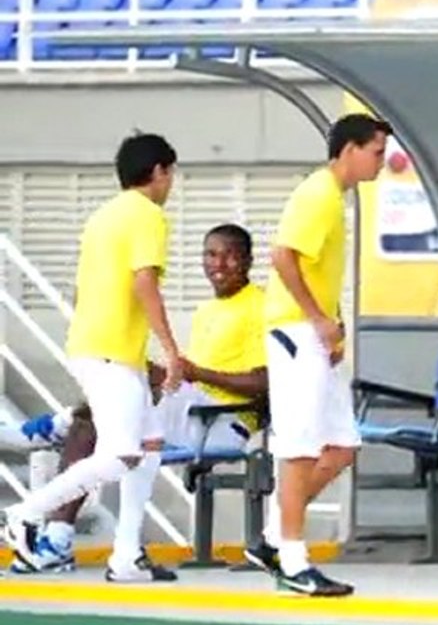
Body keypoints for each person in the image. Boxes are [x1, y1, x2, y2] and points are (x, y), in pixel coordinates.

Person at [9, 224, 267, 575]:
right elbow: (185, 377)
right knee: (115, 391)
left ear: (248, 260)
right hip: (190, 407)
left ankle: (50, 435)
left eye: (229, 254)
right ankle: (63, 537)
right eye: (210, 253)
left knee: (119, 386)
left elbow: (265, 382)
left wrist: (194, 373)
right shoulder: (208, 310)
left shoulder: (261, 306)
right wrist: (179, 374)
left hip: (223, 421)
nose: (218, 263)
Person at [1, 133, 183, 582]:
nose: (171, 182)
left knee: (150, 441)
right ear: (159, 171)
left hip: (101, 345)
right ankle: (24, 513)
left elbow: (84, 289)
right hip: (111, 352)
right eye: (170, 173)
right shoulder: (147, 215)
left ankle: (126, 555)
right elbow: (145, 285)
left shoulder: (103, 216)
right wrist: (172, 351)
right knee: (120, 453)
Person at [244, 113, 392, 596]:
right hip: (295, 333)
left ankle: (271, 536)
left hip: (314, 335)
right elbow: (283, 256)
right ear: (349, 149)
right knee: (299, 447)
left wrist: (332, 327)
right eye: (375, 152)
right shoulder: (318, 194)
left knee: (342, 444)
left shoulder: (333, 198)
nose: (381, 162)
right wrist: (317, 319)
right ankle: (292, 557)